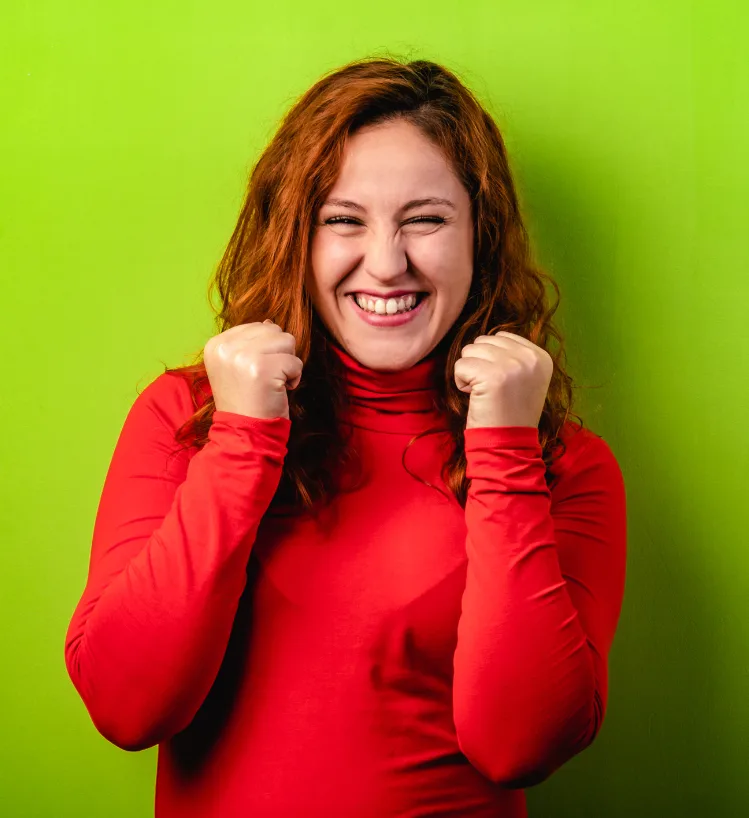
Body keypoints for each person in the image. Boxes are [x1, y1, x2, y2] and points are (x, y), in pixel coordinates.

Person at [64, 56, 627, 818]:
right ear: (294, 232)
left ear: (479, 236)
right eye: (342, 219)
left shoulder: (561, 463)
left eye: (424, 219)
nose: (386, 263)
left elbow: (519, 743)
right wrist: (240, 443)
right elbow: (126, 707)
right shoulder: (186, 418)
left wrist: (504, 453)